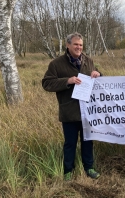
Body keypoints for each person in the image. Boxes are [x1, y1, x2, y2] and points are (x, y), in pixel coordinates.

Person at [42, 32, 101, 181]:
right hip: (69, 111)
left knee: (88, 141)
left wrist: (98, 74)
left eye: (81, 45)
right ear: (68, 45)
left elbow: (98, 80)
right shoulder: (56, 64)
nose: (79, 47)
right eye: (75, 44)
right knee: (70, 143)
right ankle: (68, 170)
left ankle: (89, 168)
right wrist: (67, 81)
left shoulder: (88, 61)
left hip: (87, 111)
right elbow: (47, 83)